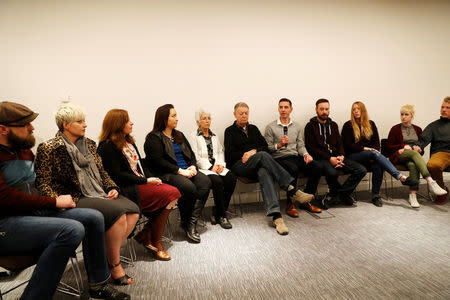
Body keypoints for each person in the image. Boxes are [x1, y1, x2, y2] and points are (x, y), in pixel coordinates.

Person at [0, 101, 129, 299]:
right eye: (25, 124)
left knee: (94, 217)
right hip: (7, 222)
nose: (32, 127)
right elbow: (5, 197)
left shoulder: (24, 151)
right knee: (72, 229)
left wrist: (110, 187)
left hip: (33, 213)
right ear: (3, 129)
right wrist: (54, 202)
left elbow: (38, 183)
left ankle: (98, 285)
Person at [35, 102, 139, 286]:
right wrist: (57, 200)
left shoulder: (89, 144)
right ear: (66, 125)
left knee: (133, 210)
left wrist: (111, 187)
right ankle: (114, 265)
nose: (85, 124)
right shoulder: (49, 148)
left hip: (96, 192)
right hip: (74, 197)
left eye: (84, 121)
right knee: (119, 215)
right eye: (80, 121)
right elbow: (43, 181)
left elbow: (102, 173)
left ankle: (104, 255)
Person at [98, 109, 180, 260]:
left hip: (139, 182)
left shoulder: (128, 141)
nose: (131, 123)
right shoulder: (106, 146)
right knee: (171, 194)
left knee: (173, 193)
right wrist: (146, 180)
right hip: (127, 188)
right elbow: (117, 175)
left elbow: (139, 167)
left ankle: (147, 233)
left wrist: (150, 178)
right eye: (127, 120)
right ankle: (155, 242)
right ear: (118, 124)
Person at [224, 102, 314, 236]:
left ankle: (277, 217)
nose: (244, 115)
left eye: (246, 113)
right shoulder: (229, 131)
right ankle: (291, 188)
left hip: (257, 164)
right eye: (241, 113)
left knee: (264, 171)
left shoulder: (253, 129)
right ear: (234, 114)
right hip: (240, 166)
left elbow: (264, 147)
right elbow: (229, 155)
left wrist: (253, 151)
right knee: (262, 155)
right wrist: (246, 154)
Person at [144, 104, 211, 243]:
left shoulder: (179, 135)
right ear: (164, 118)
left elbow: (191, 154)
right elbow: (157, 162)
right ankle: (187, 223)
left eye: (176, 115)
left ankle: (190, 222)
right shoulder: (153, 138)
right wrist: (180, 171)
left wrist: (192, 166)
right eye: (173, 116)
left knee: (205, 182)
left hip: (187, 170)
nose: (177, 119)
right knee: (189, 188)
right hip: (169, 173)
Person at [341, 101, 416, 207]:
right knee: (374, 154)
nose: (356, 111)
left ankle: (375, 195)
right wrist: (366, 149)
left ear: (363, 111)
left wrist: (372, 152)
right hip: (353, 156)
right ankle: (399, 176)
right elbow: (348, 146)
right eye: (354, 109)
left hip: (369, 156)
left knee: (378, 164)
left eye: (359, 109)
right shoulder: (348, 125)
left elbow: (376, 143)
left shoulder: (370, 124)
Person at [264, 98, 322, 217]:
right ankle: (290, 204)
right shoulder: (270, 127)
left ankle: (306, 200)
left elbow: (300, 145)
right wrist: (279, 145)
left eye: (286, 107)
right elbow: (267, 148)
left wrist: (306, 154)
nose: (283, 110)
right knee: (293, 168)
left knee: (317, 166)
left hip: (295, 156)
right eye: (281, 107)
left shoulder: (297, 126)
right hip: (279, 158)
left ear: (291, 109)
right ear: (278, 109)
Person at [304, 99, 367, 208]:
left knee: (361, 170)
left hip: (337, 156)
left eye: (326, 109)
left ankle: (338, 195)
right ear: (316, 110)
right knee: (332, 173)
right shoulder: (310, 126)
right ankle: (342, 195)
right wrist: (330, 159)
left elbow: (340, 143)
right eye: (321, 109)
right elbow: (311, 148)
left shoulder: (333, 125)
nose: (324, 111)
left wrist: (341, 156)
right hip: (321, 158)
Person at [386, 104, 447, 207]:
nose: (403, 117)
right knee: (413, 153)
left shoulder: (418, 129)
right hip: (399, 155)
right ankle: (430, 180)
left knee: (413, 164)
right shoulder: (395, 129)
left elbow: (421, 148)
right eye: (402, 114)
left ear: (412, 116)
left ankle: (412, 195)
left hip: (413, 156)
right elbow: (388, 147)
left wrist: (419, 149)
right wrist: (402, 147)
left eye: (406, 114)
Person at [188, 109, 237, 229]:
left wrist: (220, 165)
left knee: (231, 178)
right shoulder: (193, 136)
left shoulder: (214, 135)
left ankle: (217, 211)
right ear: (198, 122)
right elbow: (195, 156)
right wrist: (210, 167)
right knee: (217, 181)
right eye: (204, 118)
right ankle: (222, 216)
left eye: (209, 118)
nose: (207, 121)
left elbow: (220, 151)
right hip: (203, 169)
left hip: (217, 167)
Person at [418, 97, 450, 204]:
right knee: (432, 165)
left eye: (447, 108)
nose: (444, 110)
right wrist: (418, 146)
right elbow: (423, 140)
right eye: (442, 107)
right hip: (441, 153)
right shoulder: (434, 126)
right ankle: (442, 191)